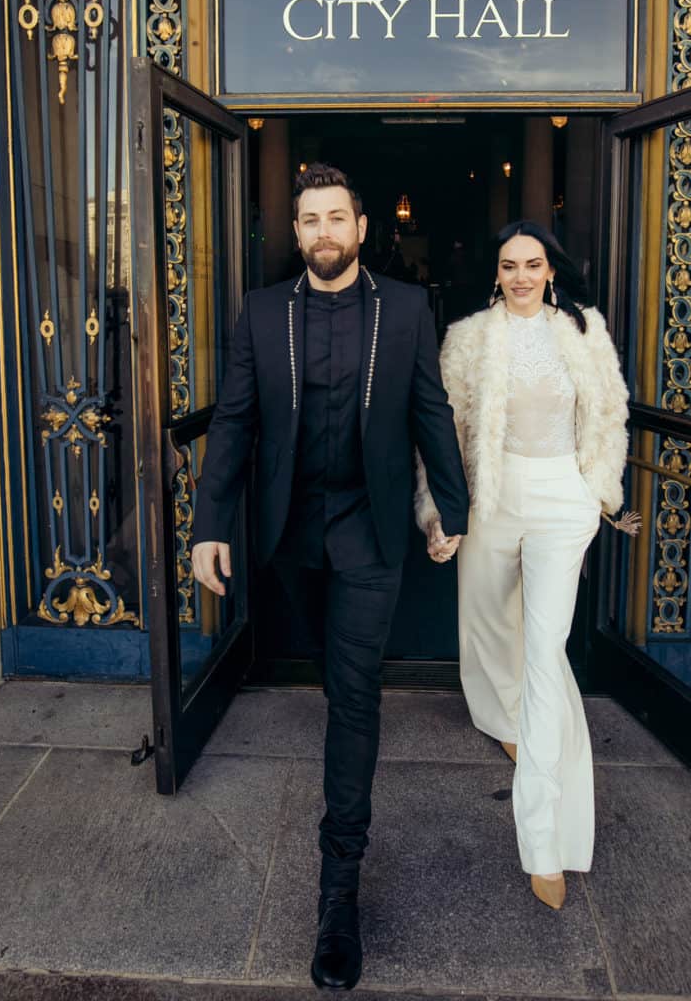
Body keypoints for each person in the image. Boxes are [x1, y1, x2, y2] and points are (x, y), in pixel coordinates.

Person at [191, 164, 469, 989]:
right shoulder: (262, 310)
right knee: (324, 671)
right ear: (299, 231)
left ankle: (337, 895)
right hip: (288, 535)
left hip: (369, 530)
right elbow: (236, 419)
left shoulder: (406, 308)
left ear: (360, 225)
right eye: (308, 219)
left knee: (354, 695)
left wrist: (450, 505)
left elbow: (430, 411)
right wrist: (208, 525)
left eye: (334, 218)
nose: (321, 232)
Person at [415, 220, 638, 911]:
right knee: (484, 624)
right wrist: (437, 513)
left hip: (561, 501)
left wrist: (599, 490)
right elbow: (440, 435)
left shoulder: (583, 330)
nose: (520, 275)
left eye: (532, 264)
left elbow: (608, 413)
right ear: (496, 273)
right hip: (491, 497)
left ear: (550, 270)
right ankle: (500, 718)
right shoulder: (468, 338)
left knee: (544, 651)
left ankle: (545, 838)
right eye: (509, 264)